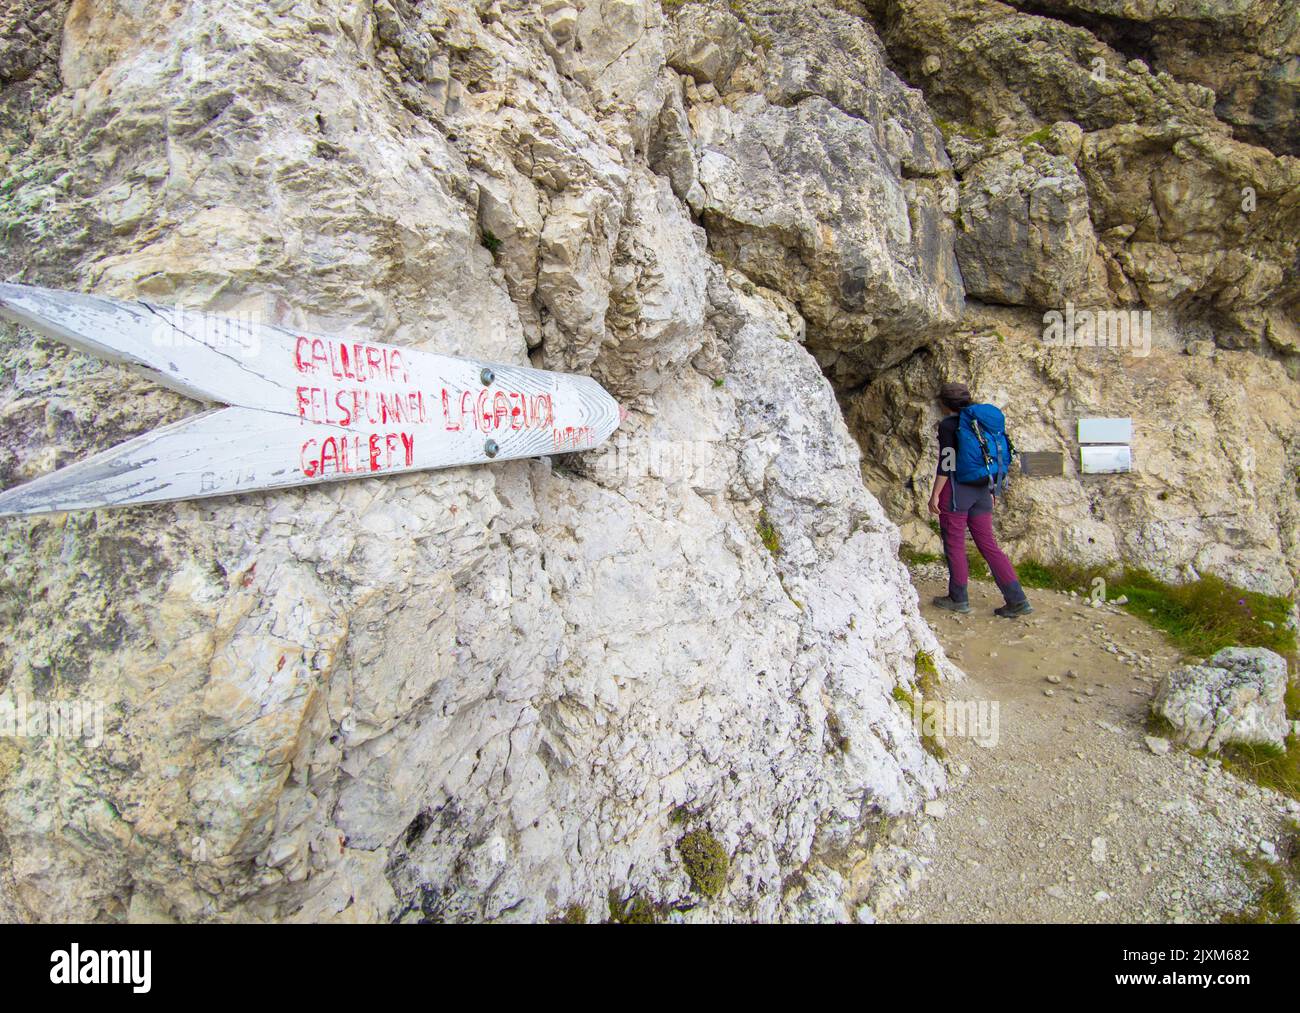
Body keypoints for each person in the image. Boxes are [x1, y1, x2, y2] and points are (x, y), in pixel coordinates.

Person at [927, 381, 1032, 618]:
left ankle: (958, 598)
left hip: (957, 492)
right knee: (989, 545)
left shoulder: (949, 426)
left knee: (955, 544)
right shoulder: (981, 423)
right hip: (985, 489)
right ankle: (1017, 599)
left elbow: (947, 462)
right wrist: (993, 492)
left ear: (944, 404)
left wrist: (935, 494)